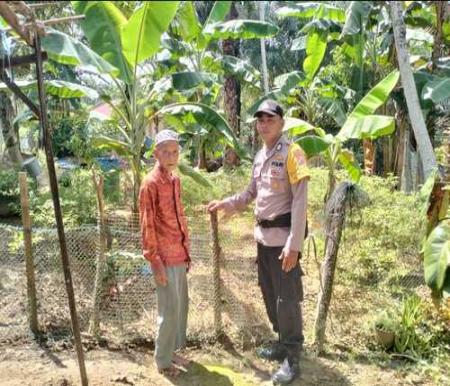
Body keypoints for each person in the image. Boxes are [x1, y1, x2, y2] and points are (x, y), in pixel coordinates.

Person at [207, 100, 309, 385]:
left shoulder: (293, 153)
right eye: (260, 119)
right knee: (269, 293)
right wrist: (227, 202)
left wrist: (295, 244)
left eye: (270, 119)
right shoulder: (260, 155)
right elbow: (251, 192)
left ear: (281, 122)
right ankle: (281, 342)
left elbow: (301, 202)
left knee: (287, 299)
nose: (264, 124)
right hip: (263, 239)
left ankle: (293, 358)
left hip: (284, 241)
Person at [139, 129, 190, 377]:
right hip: (164, 257)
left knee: (180, 309)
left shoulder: (175, 180)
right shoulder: (150, 184)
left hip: (179, 253)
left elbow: (180, 217)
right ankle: (162, 361)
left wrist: (187, 250)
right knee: (168, 310)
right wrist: (154, 260)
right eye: (166, 151)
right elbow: (147, 224)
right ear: (156, 153)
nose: (171, 156)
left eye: (175, 151)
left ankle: (172, 352)